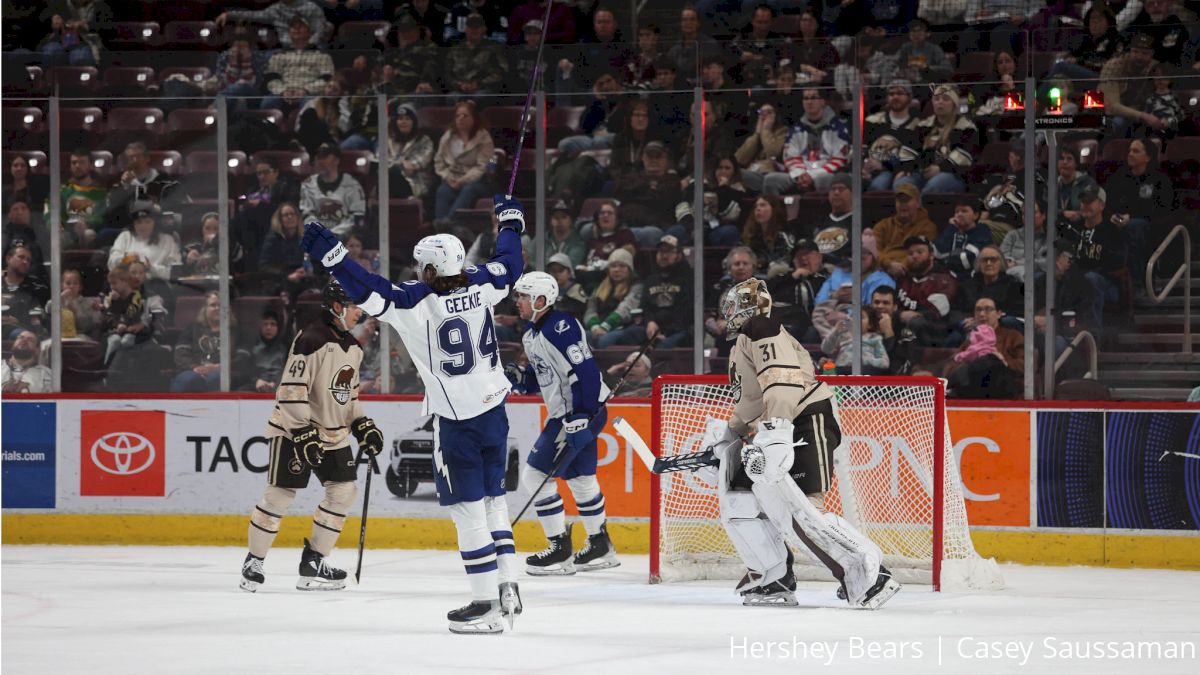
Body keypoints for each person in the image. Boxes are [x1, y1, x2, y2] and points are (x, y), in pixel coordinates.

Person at [301, 196, 526, 633]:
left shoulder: (414, 301)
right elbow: (510, 262)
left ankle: (484, 606)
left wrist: (334, 256)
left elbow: (366, 287)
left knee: (468, 511)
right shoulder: (483, 283)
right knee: (495, 502)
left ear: (428, 270)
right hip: (495, 410)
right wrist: (511, 221)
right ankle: (507, 586)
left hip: (457, 421)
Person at [702, 278, 900, 608]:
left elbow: (783, 381)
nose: (728, 312)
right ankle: (772, 574)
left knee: (804, 512)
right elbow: (752, 401)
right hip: (773, 426)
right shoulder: (742, 344)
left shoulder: (761, 327)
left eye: (734, 305)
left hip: (804, 419)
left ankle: (870, 572)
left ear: (751, 306)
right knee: (738, 497)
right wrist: (730, 436)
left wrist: (778, 429)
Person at [239, 280, 382, 593]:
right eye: (355, 305)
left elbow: (348, 399)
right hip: (293, 430)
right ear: (336, 306)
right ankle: (254, 561)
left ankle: (314, 562)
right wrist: (302, 432)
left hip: (332, 434)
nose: (361, 312)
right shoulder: (311, 338)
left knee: (343, 492)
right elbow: (291, 389)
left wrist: (362, 426)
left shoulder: (354, 349)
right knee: (281, 493)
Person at [505, 271, 618, 576]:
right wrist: (521, 379)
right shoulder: (531, 334)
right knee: (581, 478)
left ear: (540, 300)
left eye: (523, 296)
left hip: (581, 412)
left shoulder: (561, 327)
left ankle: (559, 550)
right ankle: (600, 546)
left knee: (534, 475)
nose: (518, 301)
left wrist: (581, 416)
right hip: (572, 413)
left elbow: (588, 372)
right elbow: (543, 378)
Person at [944, 295, 1024, 399]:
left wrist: (1004, 361)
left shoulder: (1012, 336)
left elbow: (1025, 365)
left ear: (999, 314)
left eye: (988, 310)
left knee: (991, 359)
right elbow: (952, 364)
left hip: (1000, 385)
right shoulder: (970, 340)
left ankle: (947, 386)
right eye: (978, 310)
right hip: (972, 387)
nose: (982, 314)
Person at [433, 101, 495, 224]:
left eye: (465, 116)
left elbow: (482, 165)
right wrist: (449, 178)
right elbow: (439, 162)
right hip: (452, 179)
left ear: (474, 118)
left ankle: (448, 224)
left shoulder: (483, 137)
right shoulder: (448, 137)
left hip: (477, 181)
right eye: (457, 116)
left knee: (468, 190)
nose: (460, 119)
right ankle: (441, 229)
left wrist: (463, 180)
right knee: (442, 191)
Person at [261, 16, 336, 114]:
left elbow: (327, 80)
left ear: (310, 32)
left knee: (311, 107)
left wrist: (305, 90)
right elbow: (271, 78)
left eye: (301, 26)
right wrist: (282, 91)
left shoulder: (322, 56)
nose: (297, 29)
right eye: (293, 27)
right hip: (284, 91)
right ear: (289, 32)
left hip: (309, 93)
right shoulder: (279, 55)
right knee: (267, 103)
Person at [897, 235, 959, 348]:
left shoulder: (944, 278)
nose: (914, 256)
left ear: (931, 255)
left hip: (935, 331)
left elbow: (937, 313)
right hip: (905, 325)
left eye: (920, 252)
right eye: (910, 254)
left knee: (916, 323)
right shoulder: (904, 277)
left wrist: (914, 315)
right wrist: (899, 314)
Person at [634, 234, 693, 348]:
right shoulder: (651, 279)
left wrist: (664, 331)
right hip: (652, 328)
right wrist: (650, 322)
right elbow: (645, 306)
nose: (664, 255)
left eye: (669, 252)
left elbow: (686, 311)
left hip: (679, 330)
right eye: (661, 252)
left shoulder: (688, 279)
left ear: (679, 255)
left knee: (661, 347)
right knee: (629, 335)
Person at [863, 80, 921, 192]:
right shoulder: (873, 121)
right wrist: (864, 165)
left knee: (878, 186)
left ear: (909, 97)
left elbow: (913, 157)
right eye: (891, 94)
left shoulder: (917, 124)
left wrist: (883, 165)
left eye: (900, 93)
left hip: (899, 170)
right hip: (870, 168)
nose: (895, 97)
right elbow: (863, 147)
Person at [300, 144, 366, 236]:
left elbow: (357, 216)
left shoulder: (352, 185)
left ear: (336, 160)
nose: (320, 161)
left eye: (325, 157)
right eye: (318, 157)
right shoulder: (308, 184)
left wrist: (334, 233)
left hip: (344, 237)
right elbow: (306, 214)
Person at [873, 183, 938, 276]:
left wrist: (898, 268)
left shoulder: (927, 227)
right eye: (899, 201)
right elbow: (872, 250)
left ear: (918, 203)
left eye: (907, 200)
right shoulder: (883, 225)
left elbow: (921, 256)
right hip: (880, 269)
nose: (903, 204)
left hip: (908, 274)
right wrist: (888, 265)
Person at [584, 249, 644, 349]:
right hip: (598, 327)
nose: (616, 270)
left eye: (622, 266)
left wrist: (605, 327)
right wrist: (594, 326)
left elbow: (626, 308)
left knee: (605, 341)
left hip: (622, 327)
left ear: (629, 269)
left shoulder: (636, 285)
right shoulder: (600, 286)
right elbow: (591, 309)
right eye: (613, 266)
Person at [106, 203, 180, 282]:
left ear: (155, 223)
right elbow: (111, 264)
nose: (143, 226)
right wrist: (125, 259)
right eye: (138, 222)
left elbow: (174, 272)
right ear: (133, 224)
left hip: (157, 285)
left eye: (147, 222)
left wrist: (151, 268)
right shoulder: (125, 237)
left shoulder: (168, 241)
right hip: (127, 285)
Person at [443, 13, 507, 103]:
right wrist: (459, 85)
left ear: (484, 29)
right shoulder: (456, 48)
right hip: (459, 89)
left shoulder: (494, 48)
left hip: (483, 89)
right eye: (471, 27)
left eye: (477, 27)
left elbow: (502, 72)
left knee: (481, 97)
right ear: (465, 29)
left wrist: (479, 84)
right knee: (452, 98)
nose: (474, 30)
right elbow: (447, 73)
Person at [216, 0, 330, 48]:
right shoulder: (276, 10)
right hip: (286, 52)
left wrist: (307, 46)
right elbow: (253, 15)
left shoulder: (311, 8)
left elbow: (319, 32)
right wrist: (229, 15)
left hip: (313, 50)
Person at [383, 103, 435, 201]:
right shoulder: (389, 140)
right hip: (390, 179)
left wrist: (400, 165)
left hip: (415, 182)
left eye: (407, 119)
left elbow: (419, 162)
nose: (403, 122)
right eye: (400, 119)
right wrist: (400, 164)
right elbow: (380, 159)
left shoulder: (424, 141)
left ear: (414, 122)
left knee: (392, 173)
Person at [933, 198, 992, 281]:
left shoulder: (982, 231)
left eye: (964, 211)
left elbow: (968, 260)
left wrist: (944, 262)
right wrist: (951, 228)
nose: (959, 214)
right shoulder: (951, 230)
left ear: (975, 215)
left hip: (971, 280)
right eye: (956, 212)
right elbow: (936, 252)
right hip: (946, 278)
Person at [822, 305, 890, 375]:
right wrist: (835, 331)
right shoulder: (843, 336)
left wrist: (864, 360)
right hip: (842, 372)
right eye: (852, 316)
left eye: (860, 317)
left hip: (864, 373)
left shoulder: (874, 339)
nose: (855, 320)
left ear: (870, 324)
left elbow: (885, 363)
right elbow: (825, 349)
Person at [101, 266, 148, 366]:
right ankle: (106, 369)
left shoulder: (136, 296)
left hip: (132, 330)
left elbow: (131, 312)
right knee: (115, 341)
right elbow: (108, 315)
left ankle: (121, 369)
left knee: (127, 340)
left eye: (114, 283)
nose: (111, 287)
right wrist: (117, 323)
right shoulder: (110, 298)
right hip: (115, 330)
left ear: (125, 282)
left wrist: (122, 323)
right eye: (110, 284)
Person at [60, 148, 107, 244]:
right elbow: (56, 213)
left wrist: (88, 223)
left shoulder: (99, 191)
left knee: (88, 234)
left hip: (90, 231)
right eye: (74, 163)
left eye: (82, 162)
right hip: (68, 231)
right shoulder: (63, 190)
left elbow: (102, 217)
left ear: (90, 166)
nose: (77, 166)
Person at [2, 243, 50, 335]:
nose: (25, 262)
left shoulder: (38, 287)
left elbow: (43, 320)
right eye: (21, 257)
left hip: (26, 335)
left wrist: (18, 322)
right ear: (8, 258)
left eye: (28, 260)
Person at [246, 307, 289, 393]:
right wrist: (256, 381)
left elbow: (289, 372)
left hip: (281, 389)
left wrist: (276, 383)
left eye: (273, 324)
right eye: (265, 324)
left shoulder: (287, 349)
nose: (268, 328)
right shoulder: (252, 349)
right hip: (256, 387)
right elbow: (247, 371)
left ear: (278, 327)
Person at [545, 253, 587, 320]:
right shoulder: (547, 290)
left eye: (560, 270)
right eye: (553, 270)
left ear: (569, 272)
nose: (556, 274)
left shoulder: (576, 289)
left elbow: (576, 312)